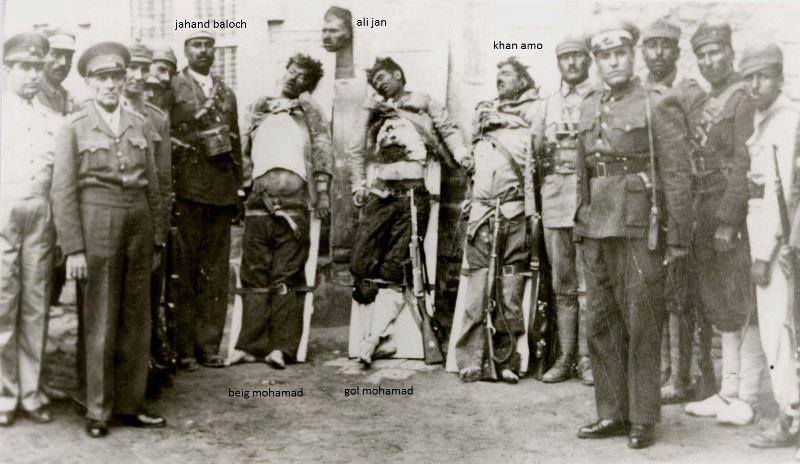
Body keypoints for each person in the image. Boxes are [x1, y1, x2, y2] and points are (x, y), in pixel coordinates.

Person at [52, 41, 166, 437]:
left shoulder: (139, 123)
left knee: (137, 315)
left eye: (116, 76)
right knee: (100, 315)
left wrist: (157, 238)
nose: (110, 84)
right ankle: (98, 409)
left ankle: (131, 403)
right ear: (88, 82)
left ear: (124, 80)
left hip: (138, 220)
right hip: (97, 218)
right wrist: (73, 248)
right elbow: (63, 190)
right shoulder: (74, 126)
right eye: (101, 78)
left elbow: (153, 183)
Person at [574, 19, 677, 449]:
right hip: (596, 224)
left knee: (642, 321)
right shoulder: (588, 104)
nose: (613, 62)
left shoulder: (656, 101)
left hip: (638, 224)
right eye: (605, 56)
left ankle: (643, 417)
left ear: (632, 56)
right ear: (597, 62)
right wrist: (580, 219)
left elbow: (676, 173)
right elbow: (582, 169)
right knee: (601, 321)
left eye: (620, 54)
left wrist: (677, 238)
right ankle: (612, 412)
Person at [673, 22, 765, 427]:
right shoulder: (707, 98)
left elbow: (745, 162)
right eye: (703, 55)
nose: (710, 61)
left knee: (743, 301)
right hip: (705, 205)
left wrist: (728, 219)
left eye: (716, 52)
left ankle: (748, 395)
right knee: (719, 302)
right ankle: (728, 390)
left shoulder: (742, 98)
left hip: (732, 207)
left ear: (730, 52)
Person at [349, 57, 470, 364]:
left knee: (395, 268)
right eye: (374, 81)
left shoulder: (423, 103)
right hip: (379, 194)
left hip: (412, 196)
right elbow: (355, 148)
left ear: (398, 74)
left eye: (382, 76)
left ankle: (375, 339)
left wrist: (462, 154)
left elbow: (448, 129)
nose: (379, 83)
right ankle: (378, 336)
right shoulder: (374, 113)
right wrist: (358, 184)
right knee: (361, 263)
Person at [229, 54, 332, 368]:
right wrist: (241, 189)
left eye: (302, 77)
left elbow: (322, 148)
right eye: (292, 71)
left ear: (308, 86)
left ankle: (281, 347)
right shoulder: (259, 108)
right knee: (254, 274)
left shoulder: (309, 112)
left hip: (294, 204)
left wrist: (323, 192)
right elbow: (241, 149)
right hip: (258, 204)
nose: (294, 78)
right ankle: (249, 345)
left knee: (285, 275)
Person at [641, 19, 714, 404]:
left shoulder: (690, 92)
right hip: (648, 204)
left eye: (665, 46)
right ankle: (663, 369)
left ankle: (684, 375)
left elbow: (699, 149)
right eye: (651, 45)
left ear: (676, 50)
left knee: (682, 291)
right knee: (656, 289)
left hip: (683, 201)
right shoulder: (637, 92)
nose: (657, 53)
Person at [454, 56, 535, 383]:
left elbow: (533, 167)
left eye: (507, 74)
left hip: (514, 211)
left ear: (523, 81)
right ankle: (471, 360)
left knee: (510, 288)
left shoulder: (534, 112)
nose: (500, 79)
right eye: (498, 74)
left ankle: (507, 360)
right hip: (481, 213)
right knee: (478, 286)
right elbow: (469, 144)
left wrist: (531, 214)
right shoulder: (483, 112)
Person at [170, 30, 243, 370]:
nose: (203, 50)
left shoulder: (226, 93)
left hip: (220, 192)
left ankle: (209, 346)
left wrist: (238, 189)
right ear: (186, 50)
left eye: (208, 45)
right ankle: (184, 349)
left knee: (215, 272)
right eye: (196, 45)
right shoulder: (173, 86)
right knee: (185, 270)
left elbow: (235, 143)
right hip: (187, 190)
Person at [740, 42, 800, 448]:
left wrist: (765, 254)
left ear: (779, 77)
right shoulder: (764, 119)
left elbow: (785, 194)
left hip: (778, 244)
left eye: (763, 76)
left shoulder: (787, 121)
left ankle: (790, 418)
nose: (755, 85)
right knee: (777, 330)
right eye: (749, 78)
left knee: (779, 332)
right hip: (763, 233)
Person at [0, 32, 59, 427]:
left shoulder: (51, 118)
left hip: (40, 212)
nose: (33, 74)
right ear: (7, 69)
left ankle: (31, 391)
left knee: (36, 303)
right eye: (24, 67)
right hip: (3, 209)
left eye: (38, 67)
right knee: (3, 301)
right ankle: (4, 394)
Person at [530, 34, 593, 385]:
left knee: (590, 287)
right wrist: (533, 208)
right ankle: (567, 357)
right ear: (558, 64)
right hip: (554, 203)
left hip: (589, 204)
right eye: (565, 58)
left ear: (588, 61)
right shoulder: (546, 106)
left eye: (578, 56)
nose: (572, 63)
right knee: (563, 286)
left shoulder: (598, 99)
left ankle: (588, 360)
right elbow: (532, 160)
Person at [123, 41, 176, 393]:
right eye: (132, 67)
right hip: (112, 219)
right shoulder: (98, 111)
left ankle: (145, 371)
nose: (138, 75)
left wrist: (159, 236)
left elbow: (164, 182)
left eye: (144, 68)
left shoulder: (157, 118)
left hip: (145, 222)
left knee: (147, 298)